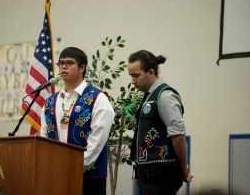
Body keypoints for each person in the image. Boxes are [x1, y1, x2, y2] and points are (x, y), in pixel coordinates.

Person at [40, 47, 115, 195]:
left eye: (69, 62)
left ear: (82, 67)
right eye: (61, 63)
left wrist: (73, 167)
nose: (63, 66)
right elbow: (44, 139)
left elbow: (96, 141)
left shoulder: (98, 99)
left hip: (89, 179)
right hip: (55, 177)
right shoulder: (50, 102)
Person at [127, 50, 193, 195]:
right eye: (131, 76)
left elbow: (178, 136)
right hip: (149, 176)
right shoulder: (149, 96)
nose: (132, 81)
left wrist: (184, 169)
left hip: (162, 177)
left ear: (151, 72)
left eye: (136, 75)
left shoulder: (165, 96)